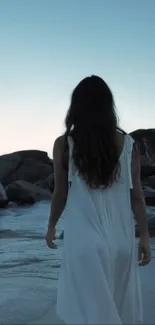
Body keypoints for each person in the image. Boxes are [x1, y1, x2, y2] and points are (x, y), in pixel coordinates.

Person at [46, 76, 151, 324]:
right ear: (108, 107)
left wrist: (51, 226)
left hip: (84, 241)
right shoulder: (128, 144)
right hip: (121, 240)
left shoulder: (64, 145)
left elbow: (60, 193)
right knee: (116, 309)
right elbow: (137, 195)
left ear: (76, 107)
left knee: (89, 314)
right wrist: (144, 236)